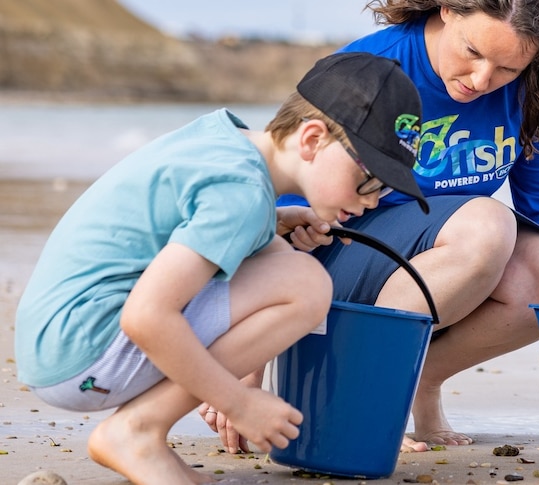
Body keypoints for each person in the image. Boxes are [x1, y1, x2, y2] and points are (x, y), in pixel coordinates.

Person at [208, 0, 539, 455]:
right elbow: (288, 185)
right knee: (486, 224)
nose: (482, 80)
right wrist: (248, 363)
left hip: (428, 264)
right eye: (473, 52)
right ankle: (360, 399)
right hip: (325, 266)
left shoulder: (530, 92)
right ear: (447, 9)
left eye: (507, 69)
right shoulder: (371, 69)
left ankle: (416, 380)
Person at [14, 52, 426, 484]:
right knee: (305, 285)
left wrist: (269, 226)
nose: (375, 198)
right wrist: (238, 402)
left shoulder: (224, 142)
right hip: (85, 358)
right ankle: (136, 431)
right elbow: (146, 316)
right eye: (370, 179)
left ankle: (137, 431)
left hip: (58, 345)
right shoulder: (243, 193)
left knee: (283, 263)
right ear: (311, 140)